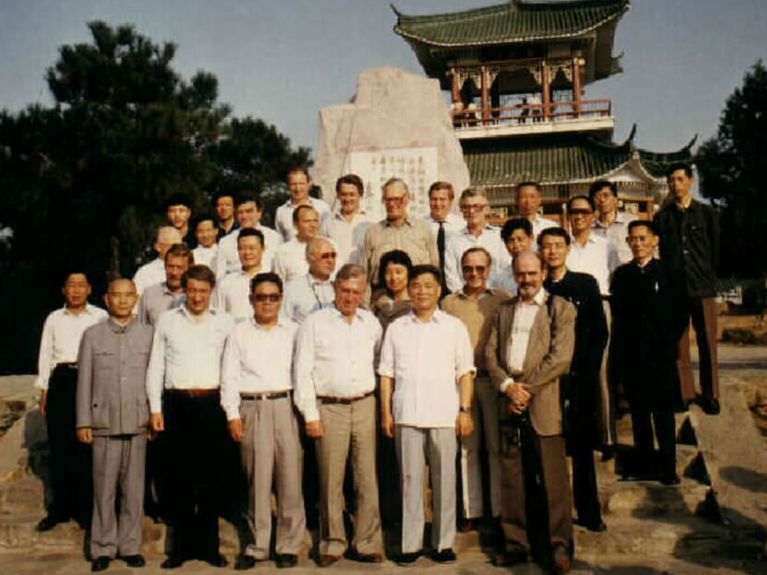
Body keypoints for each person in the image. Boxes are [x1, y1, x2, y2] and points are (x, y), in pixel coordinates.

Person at [485, 250, 576, 573]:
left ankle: (559, 548)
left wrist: (527, 389)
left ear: (543, 272)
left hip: (544, 402)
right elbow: (490, 355)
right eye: (520, 274)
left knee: (553, 482)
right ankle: (515, 544)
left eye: (532, 273)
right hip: (509, 400)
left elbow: (561, 358)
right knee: (512, 478)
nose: (526, 280)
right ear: (513, 274)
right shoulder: (504, 310)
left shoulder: (560, 309)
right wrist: (509, 387)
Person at [379, 264, 475, 565]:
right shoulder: (396, 328)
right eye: (416, 285)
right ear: (409, 290)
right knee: (410, 480)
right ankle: (410, 544)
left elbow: (465, 372)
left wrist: (465, 410)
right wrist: (386, 413)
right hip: (406, 413)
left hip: (445, 414)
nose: (421, 291)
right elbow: (386, 374)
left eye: (428, 285)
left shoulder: (453, 327)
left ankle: (442, 543)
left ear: (439, 291)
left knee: (445, 480)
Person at [293, 264, 384, 567]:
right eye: (345, 290)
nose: (350, 297)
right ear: (334, 288)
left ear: (363, 293)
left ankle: (367, 541)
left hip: (364, 404)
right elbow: (302, 371)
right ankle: (332, 542)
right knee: (331, 478)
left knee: (365, 477)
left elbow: (378, 364)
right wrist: (310, 414)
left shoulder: (370, 323)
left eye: (356, 292)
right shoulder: (315, 323)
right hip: (328, 407)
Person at [146, 265, 234, 569]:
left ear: (211, 292)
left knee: (211, 478)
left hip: (211, 403)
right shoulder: (168, 320)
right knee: (178, 477)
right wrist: (155, 409)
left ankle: (209, 548)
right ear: (185, 289)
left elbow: (230, 369)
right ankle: (181, 549)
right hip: (176, 404)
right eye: (192, 290)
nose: (197, 296)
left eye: (203, 291)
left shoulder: (224, 322)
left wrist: (230, 409)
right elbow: (156, 365)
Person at [221, 273, 305, 569]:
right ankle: (257, 546)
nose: (267, 303)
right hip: (252, 406)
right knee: (257, 479)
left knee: (290, 478)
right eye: (261, 297)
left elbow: (305, 373)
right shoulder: (240, 333)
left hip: (286, 405)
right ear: (251, 299)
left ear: (281, 299)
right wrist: (232, 414)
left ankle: (288, 545)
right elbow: (229, 376)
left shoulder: (295, 331)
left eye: (273, 297)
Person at [76, 279, 153, 572]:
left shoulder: (148, 334)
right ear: (106, 300)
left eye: (128, 295)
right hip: (103, 422)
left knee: (133, 489)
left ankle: (130, 546)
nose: (122, 301)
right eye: (116, 296)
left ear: (136, 298)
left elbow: (153, 378)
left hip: (138, 421)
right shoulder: (92, 335)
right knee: (104, 489)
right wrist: (83, 420)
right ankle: (103, 547)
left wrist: (154, 416)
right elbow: (84, 382)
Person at [539, 227, 608, 532]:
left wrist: (585, 371)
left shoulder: (585, 284)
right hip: (545, 380)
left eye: (557, 245)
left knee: (581, 450)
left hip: (579, 377)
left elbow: (598, 333)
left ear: (567, 249)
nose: (552, 251)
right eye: (546, 246)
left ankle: (590, 511)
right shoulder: (535, 286)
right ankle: (552, 515)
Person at [442, 247, 511, 538]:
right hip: (462, 382)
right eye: (468, 268)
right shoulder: (449, 303)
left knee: (495, 448)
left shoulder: (502, 300)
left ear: (490, 268)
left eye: (480, 269)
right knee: (467, 448)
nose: (474, 274)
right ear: (461, 269)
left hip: (492, 381)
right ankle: (472, 510)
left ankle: (497, 511)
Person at [34, 271, 108, 532]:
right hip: (62, 380)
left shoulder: (100, 316)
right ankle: (60, 508)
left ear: (89, 289)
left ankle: (87, 510)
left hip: (92, 378)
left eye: (81, 285)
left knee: (87, 447)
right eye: (71, 285)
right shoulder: (54, 318)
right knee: (60, 444)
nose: (76, 290)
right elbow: (45, 354)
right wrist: (44, 388)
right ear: (63, 290)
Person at [611, 221, 681, 485]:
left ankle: (668, 468)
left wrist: (667, 343)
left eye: (642, 238)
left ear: (655, 240)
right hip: (632, 355)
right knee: (639, 413)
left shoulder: (670, 273)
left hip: (660, 356)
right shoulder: (622, 275)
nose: (637, 244)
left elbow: (680, 314)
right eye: (633, 239)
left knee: (663, 413)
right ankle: (643, 464)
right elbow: (619, 317)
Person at [653, 162, 720, 415]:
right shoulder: (663, 217)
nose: (675, 185)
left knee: (707, 342)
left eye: (680, 179)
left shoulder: (706, 213)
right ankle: (684, 393)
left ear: (690, 181)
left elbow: (715, 251)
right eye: (671, 181)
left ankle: (711, 394)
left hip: (702, 287)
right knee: (678, 345)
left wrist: (707, 276)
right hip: (674, 289)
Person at [566, 195, 620, 449]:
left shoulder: (606, 245)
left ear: (592, 215)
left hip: (600, 306)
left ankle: (607, 436)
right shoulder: (562, 245)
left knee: (601, 371)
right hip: (567, 307)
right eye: (574, 212)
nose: (579, 216)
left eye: (584, 212)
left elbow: (615, 279)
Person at [362, 177, 439, 287]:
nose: (392, 204)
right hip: (382, 297)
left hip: (416, 296)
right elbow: (366, 275)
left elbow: (435, 269)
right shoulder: (373, 233)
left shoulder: (424, 230)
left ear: (407, 198)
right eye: (388, 200)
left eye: (397, 199)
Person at [443, 189, 509, 293]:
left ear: (486, 209)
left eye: (476, 207)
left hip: (496, 297)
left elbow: (506, 271)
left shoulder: (500, 236)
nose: (471, 211)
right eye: (466, 207)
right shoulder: (453, 239)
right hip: (463, 299)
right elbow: (451, 275)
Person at [214, 193, 282, 278]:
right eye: (240, 212)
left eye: (249, 211)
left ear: (259, 212)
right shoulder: (226, 242)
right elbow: (219, 276)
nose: (244, 216)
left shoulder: (275, 238)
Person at [215, 228, 268, 322]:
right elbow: (219, 317)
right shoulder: (226, 283)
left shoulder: (272, 281)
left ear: (263, 248)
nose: (247, 253)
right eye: (242, 248)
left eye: (252, 248)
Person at [280, 237, 337, 324]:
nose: (330, 260)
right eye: (325, 256)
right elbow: (282, 322)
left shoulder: (340, 288)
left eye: (333, 256)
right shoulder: (292, 288)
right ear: (310, 258)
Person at [320, 174, 371, 266]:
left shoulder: (370, 222)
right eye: (344, 194)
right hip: (335, 278)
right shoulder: (328, 223)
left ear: (360, 194)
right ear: (338, 195)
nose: (347, 199)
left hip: (361, 277)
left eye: (352, 194)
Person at [137, 243, 192, 326]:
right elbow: (141, 329)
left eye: (179, 267)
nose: (174, 272)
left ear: (189, 268)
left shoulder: (195, 295)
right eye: (170, 266)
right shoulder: (150, 294)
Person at [423, 181, 463, 289]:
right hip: (428, 284)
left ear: (450, 201)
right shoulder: (420, 225)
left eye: (442, 199)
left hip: (456, 285)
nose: (437, 204)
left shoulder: (461, 226)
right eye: (434, 199)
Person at [275, 167, 330, 241]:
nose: (297, 188)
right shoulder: (281, 212)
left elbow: (328, 236)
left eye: (301, 183)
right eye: (293, 184)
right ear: (288, 186)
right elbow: (280, 241)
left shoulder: (322, 207)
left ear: (309, 184)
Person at [590, 180, 636, 264]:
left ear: (615, 199)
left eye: (606, 195)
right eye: (597, 196)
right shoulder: (590, 228)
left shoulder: (631, 222)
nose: (602, 200)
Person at [273, 205, 322, 283]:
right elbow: (278, 283)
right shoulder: (283, 251)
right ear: (295, 224)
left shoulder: (330, 246)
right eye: (307, 221)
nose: (313, 225)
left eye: (315, 221)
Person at [133, 227, 183, 297]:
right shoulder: (145, 273)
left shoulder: (190, 267)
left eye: (179, 246)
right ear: (158, 247)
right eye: (171, 246)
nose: (176, 250)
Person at [370, 250, 413, 332]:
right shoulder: (378, 304)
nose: (393, 277)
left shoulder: (416, 306)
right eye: (388, 273)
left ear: (409, 273)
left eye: (398, 272)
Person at [492, 217, 534, 293]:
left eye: (520, 239)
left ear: (531, 238)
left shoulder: (543, 271)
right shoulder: (502, 277)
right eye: (511, 241)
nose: (516, 245)